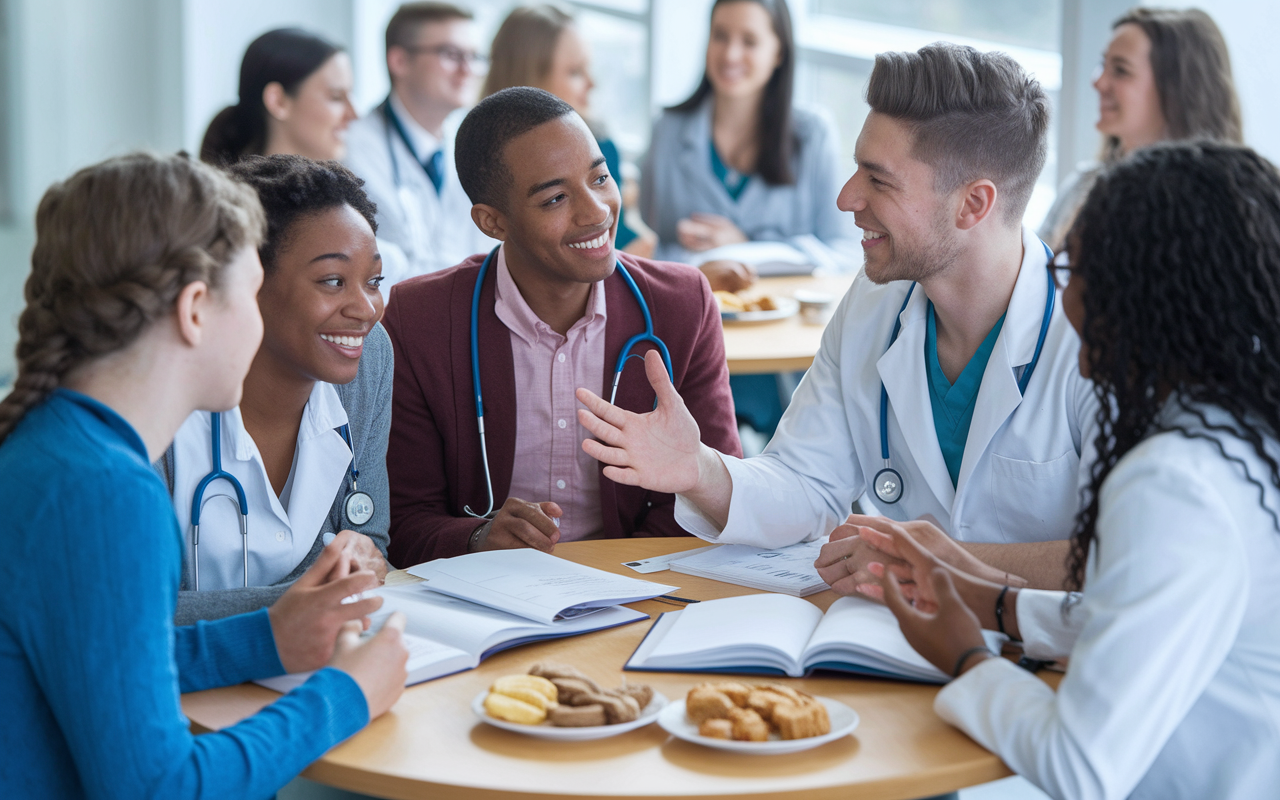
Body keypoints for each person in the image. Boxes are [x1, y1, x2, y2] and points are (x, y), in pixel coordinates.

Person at [578, 44, 1096, 592]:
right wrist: (698, 469)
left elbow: (1133, 558)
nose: (847, 198)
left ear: (973, 205)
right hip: (889, 645)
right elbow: (805, 483)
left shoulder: (1098, 336)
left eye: (879, 180)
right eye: (856, 170)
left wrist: (940, 562)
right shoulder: (875, 303)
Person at [870, 141, 1280, 800]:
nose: (1062, 293)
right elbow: (1147, 626)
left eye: (1072, 267)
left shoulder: (1176, 484)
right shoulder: (1243, 440)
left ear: (1146, 292)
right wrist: (990, 601)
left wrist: (964, 654)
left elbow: (1079, 767)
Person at [0, 152, 408, 797]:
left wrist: (265, 640)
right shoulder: (107, 493)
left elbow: (118, 664)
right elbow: (159, 790)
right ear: (196, 310)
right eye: (248, 294)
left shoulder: (58, 448)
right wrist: (346, 695)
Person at [383, 87, 741, 566]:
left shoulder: (682, 305)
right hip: (489, 593)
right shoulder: (419, 318)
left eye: (600, 178)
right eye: (555, 199)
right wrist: (477, 539)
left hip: (640, 587)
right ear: (492, 222)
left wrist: (610, 578)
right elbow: (404, 521)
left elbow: (716, 493)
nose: (596, 211)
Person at [160, 155, 394, 626]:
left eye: (373, 281)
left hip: (305, 663)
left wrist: (361, 560)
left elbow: (370, 540)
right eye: (333, 281)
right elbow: (130, 614)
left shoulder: (369, 358)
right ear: (249, 284)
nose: (366, 309)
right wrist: (296, 607)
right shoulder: (159, 405)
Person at [640, 0, 856, 280]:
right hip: (695, 308)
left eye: (750, 41)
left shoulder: (813, 134)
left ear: (778, 52)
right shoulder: (667, 129)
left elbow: (843, 252)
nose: (730, 54)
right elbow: (649, 247)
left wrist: (744, 249)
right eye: (720, 36)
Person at [1038, 6, 1241, 252]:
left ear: (1177, 92)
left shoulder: (1217, 216)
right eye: (1103, 64)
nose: (1098, 81)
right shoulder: (1083, 185)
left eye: (1121, 70)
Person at [481, 4, 658, 260]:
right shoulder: (482, 165)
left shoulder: (601, 144)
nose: (592, 83)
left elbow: (629, 241)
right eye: (575, 72)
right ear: (529, 83)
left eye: (598, 180)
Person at [344, 2, 497, 290]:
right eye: (452, 55)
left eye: (475, 56)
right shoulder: (350, 150)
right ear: (399, 61)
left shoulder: (479, 149)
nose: (468, 70)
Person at [200, 28, 358, 166]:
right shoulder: (234, 199)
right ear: (278, 101)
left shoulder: (344, 195)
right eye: (336, 97)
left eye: (350, 95)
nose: (354, 114)